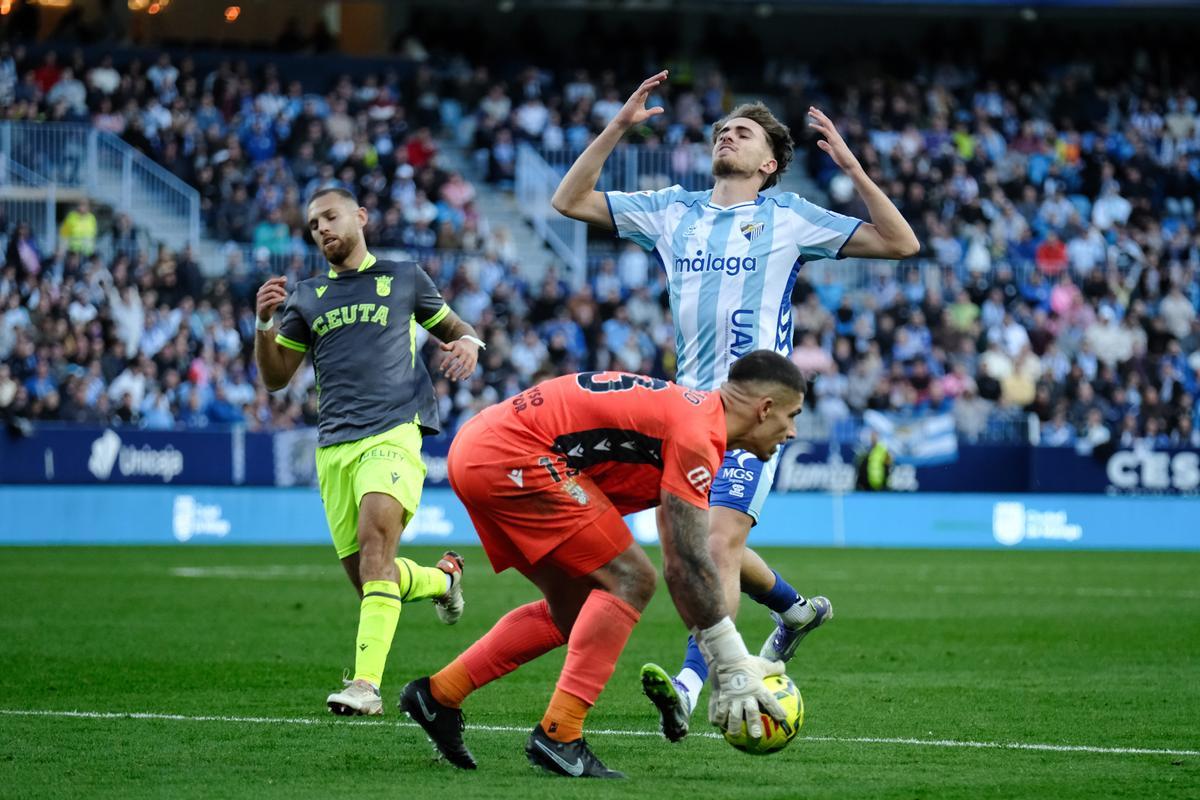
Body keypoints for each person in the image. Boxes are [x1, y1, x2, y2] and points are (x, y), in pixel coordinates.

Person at [550, 70, 920, 740]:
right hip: (682, 411)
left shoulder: (790, 217)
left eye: (743, 132)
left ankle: (694, 687)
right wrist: (617, 127)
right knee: (696, 543)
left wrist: (852, 166)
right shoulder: (672, 211)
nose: (728, 136)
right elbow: (569, 199)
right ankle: (794, 609)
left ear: (768, 163)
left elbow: (901, 243)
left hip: (753, 414)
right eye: (722, 130)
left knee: (714, 542)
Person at [401, 350, 804, 777]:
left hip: (485, 448)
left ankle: (440, 695)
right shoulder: (696, 435)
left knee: (576, 609)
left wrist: (723, 658)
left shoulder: (693, 423)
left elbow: (682, 560)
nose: (792, 431)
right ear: (765, 409)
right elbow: (686, 565)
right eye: (792, 415)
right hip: (513, 456)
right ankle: (560, 735)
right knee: (631, 579)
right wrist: (732, 661)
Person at [254, 187, 485, 716]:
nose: (322, 229)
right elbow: (274, 377)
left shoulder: (403, 278)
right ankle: (443, 579)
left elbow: (455, 328)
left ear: (360, 217)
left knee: (377, 552)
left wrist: (469, 344)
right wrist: (265, 324)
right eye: (313, 225)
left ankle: (365, 686)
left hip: (394, 432)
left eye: (331, 217)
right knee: (370, 579)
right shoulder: (308, 296)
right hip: (334, 446)